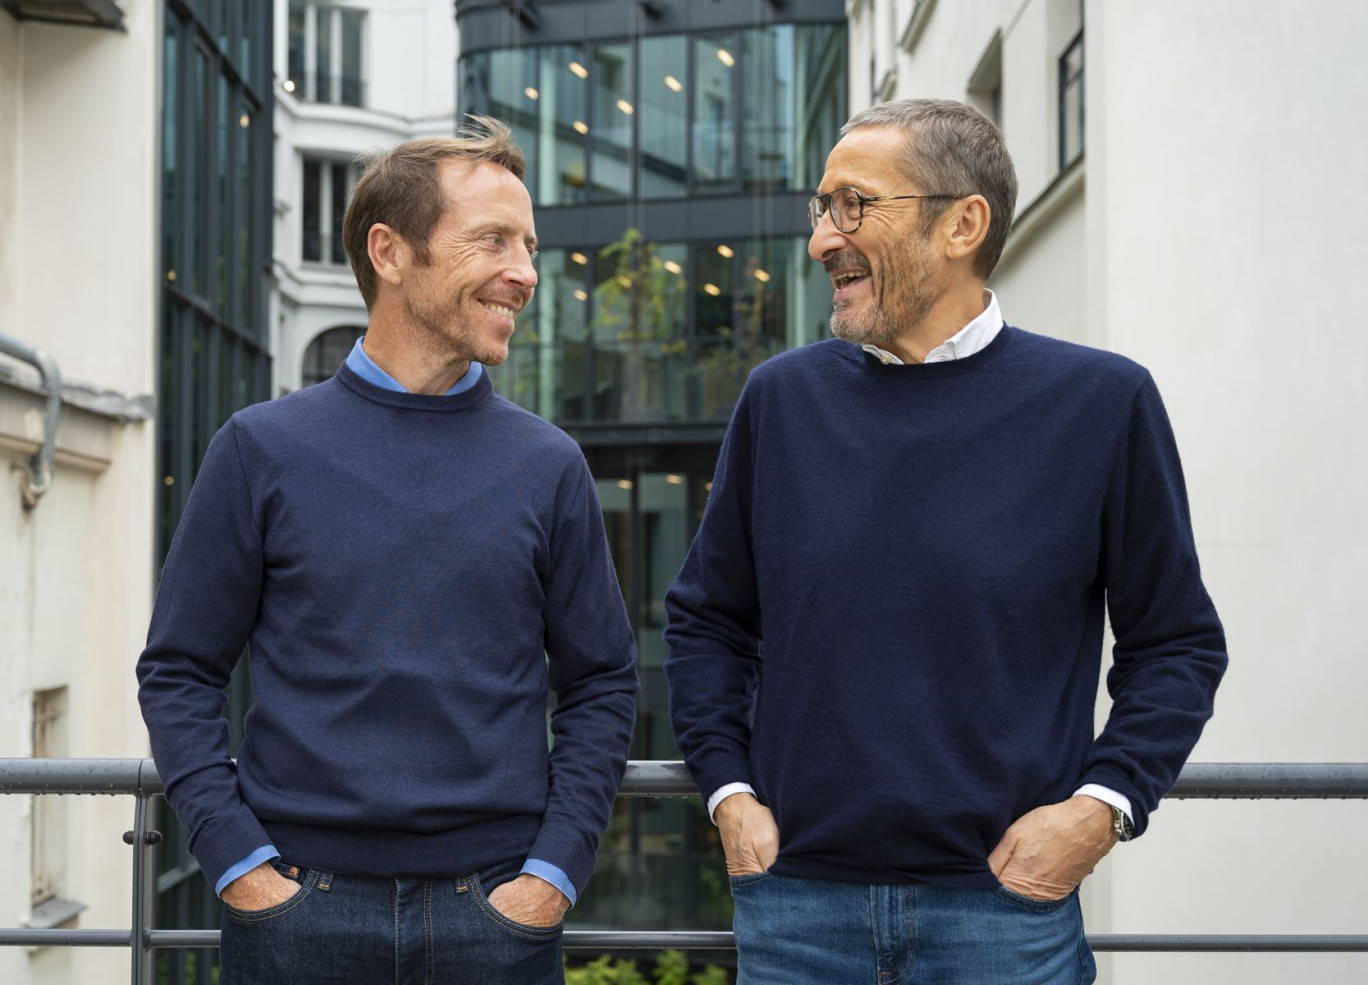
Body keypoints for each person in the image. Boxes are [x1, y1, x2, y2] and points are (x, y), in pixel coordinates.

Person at [663, 98, 1227, 985]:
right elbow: (705, 622)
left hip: (1006, 917)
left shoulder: (1103, 404)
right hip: (796, 909)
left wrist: (1102, 807)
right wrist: (730, 794)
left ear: (963, 222)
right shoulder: (781, 401)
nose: (822, 240)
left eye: (855, 205)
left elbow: (1178, 643)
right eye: (822, 209)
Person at [137, 118, 638, 985]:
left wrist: (552, 876)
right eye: (492, 240)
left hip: (500, 916)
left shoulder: (549, 463)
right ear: (390, 252)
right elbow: (179, 669)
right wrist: (238, 863)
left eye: (527, 244)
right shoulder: (260, 449)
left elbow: (602, 680)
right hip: (298, 913)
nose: (523, 271)